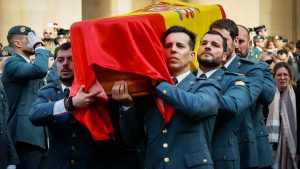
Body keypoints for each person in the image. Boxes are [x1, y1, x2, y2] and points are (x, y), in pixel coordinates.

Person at [112, 26, 221, 169]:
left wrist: (159, 84)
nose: (173, 50)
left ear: (192, 55)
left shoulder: (207, 86)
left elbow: (196, 107)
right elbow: (131, 139)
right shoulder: (148, 91)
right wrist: (127, 105)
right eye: (168, 46)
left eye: (180, 46)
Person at [30, 42, 138, 169]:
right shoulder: (49, 91)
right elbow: (34, 115)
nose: (65, 64)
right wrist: (70, 103)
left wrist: (126, 104)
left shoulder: (100, 89)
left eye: (71, 59)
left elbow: (128, 134)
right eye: (60, 60)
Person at [210, 19, 274, 169]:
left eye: (241, 41)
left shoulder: (257, 68)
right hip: (222, 146)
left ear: (249, 44)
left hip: (253, 146)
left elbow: (267, 96)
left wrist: (245, 75)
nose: (237, 45)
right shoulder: (211, 67)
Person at [196, 30, 251, 169]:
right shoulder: (185, 79)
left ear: (224, 56)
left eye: (215, 45)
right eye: (203, 43)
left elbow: (233, 105)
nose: (207, 46)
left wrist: (195, 99)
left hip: (220, 159)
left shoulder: (236, 79)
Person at [1, 25, 49, 169]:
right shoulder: (11, 62)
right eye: (30, 38)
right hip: (24, 136)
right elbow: (40, 70)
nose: (34, 40)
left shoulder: (29, 65)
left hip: (39, 135)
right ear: (17, 43)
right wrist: (39, 46)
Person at [267, 62, 298, 169]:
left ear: (290, 76)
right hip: (271, 143)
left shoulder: (297, 94)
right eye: (279, 75)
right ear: (274, 77)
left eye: (285, 75)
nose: (282, 78)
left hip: (291, 142)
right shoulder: (268, 95)